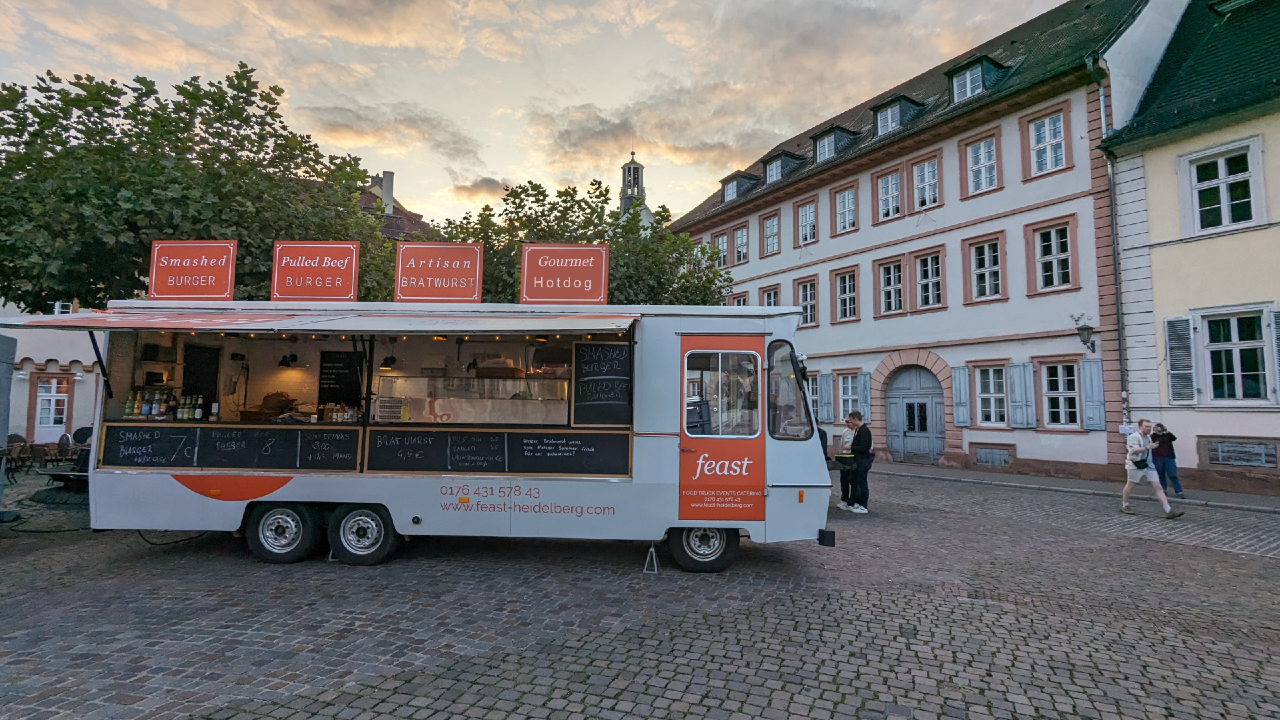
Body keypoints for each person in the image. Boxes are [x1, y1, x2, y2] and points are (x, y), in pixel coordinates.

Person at [1123, 419, 1184, 519]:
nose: (1148, 429)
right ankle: (1124, 505)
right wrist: (1148, 447)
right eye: (1146, 427)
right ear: (1140, 426)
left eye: (1149, 427)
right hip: (1135, 464)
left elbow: (1171, 438)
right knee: (1130, 485)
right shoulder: (1133, 437)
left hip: (1149, 464)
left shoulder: (1149, 437)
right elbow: (1133, 451)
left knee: (1158, 486)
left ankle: (1168, 510)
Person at [837, 411, 873, 514]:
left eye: (851, 420)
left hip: (863, 460)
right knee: (856, 480)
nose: (850, 422)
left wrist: (851, 447)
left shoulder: (865, 430)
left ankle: (863, 505)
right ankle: (857, 502)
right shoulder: (859, 430)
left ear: (855, 419)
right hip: (857, 460)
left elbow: (865, 447)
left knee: (862, 483)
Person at [1151, 423, 1186, 499]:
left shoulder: (1168, 435)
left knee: (1172, 475)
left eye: (1158, 428)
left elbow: (1174, 438)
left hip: (1169, 457)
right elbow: (1151, 441)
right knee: (1161, 475)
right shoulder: (1153, 436)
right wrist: (1156, 433)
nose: (1157, 429)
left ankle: (1179, 491)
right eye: (1156, 428)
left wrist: (1166, 431)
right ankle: (1163, 491)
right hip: (1157, 458)